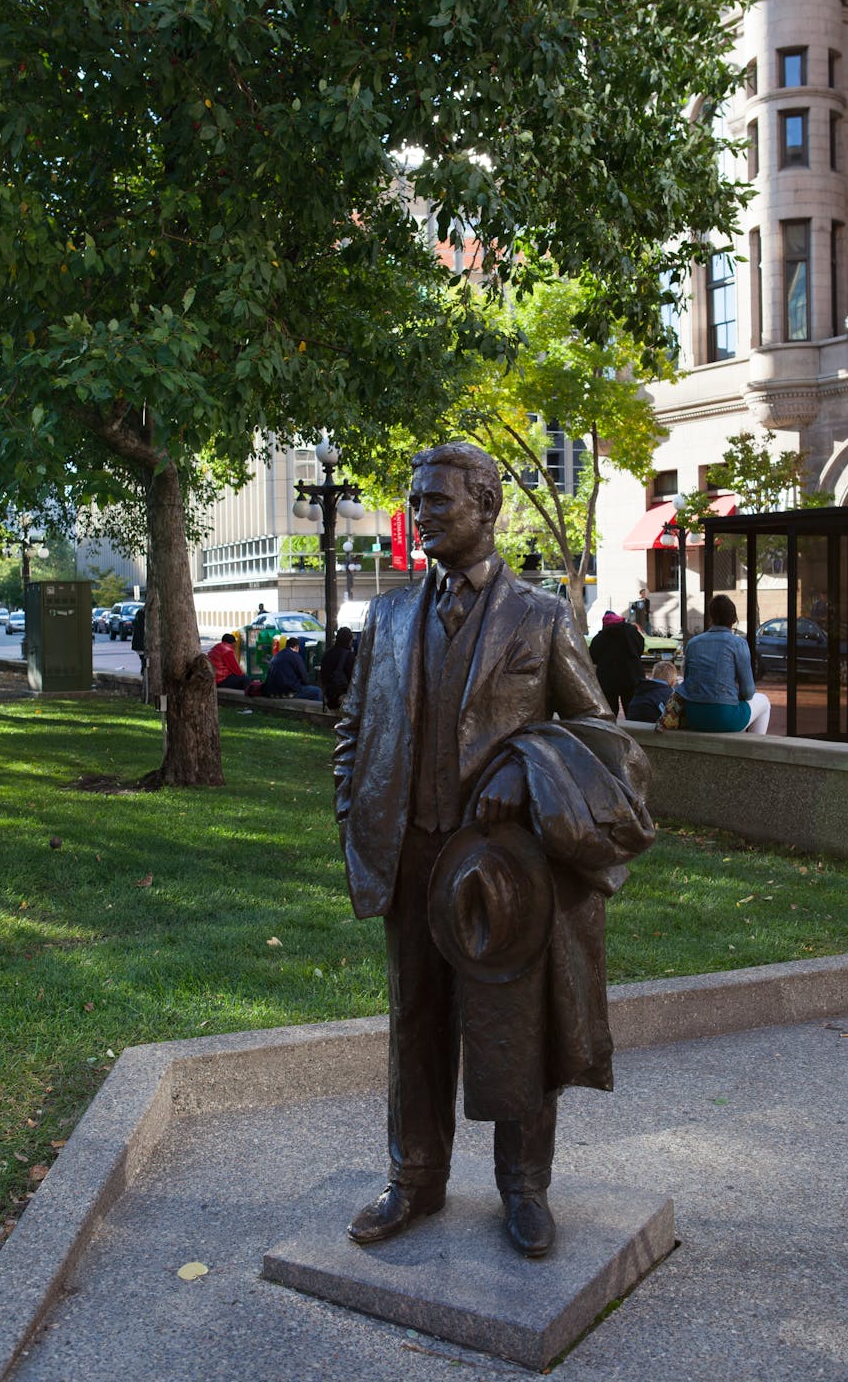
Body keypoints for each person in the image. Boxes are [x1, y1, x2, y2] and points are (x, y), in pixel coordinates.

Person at [335, 442, 654, 1259]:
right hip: (409, 854)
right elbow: (356, 728)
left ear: (488, 507)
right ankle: (415, 1175)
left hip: (504, 869)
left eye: (439, 500)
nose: (422, 514)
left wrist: (523, 761)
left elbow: (601, 735)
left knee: (515, 1022)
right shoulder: (389, 615)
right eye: (416, 500)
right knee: (416, 1019)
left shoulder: (540, 617)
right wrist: (356, 814)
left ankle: (524, 1187)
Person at [675, 594, 770, 733]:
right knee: (764, 701)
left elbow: (689, 681)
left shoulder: (693, 643)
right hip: (724, 717)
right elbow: (748, 692)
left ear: (711, 617)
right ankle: (756, 750)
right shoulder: (738, 644)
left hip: (694, 716)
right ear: (733, 619)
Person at [588, 608, 646, 717]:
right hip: (631, 677)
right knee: (632, 710)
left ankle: (612, 731)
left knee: (610, 712)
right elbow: (640, 647)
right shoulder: (631, 631)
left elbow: (593, 657)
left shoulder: (599, 638)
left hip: (608, 681)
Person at [319, 626, 356, 709]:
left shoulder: (327, 653)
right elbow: (353, 677)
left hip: (329, 695)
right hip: (341, 696)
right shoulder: (349, 655)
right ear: (350, 640)